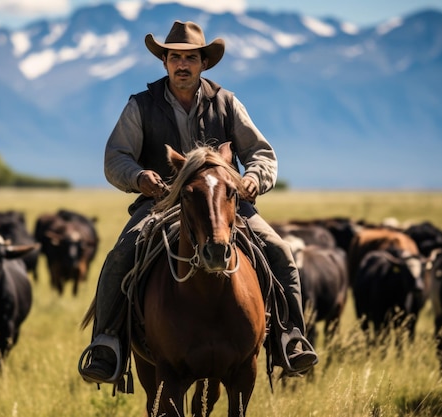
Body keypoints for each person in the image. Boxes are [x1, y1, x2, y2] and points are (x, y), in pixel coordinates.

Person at [79, 20, 318, 385]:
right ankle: (107, 343)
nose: (182, 64)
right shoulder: (140, 106)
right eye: (175, 57)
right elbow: (116, 157)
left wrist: (253, 178)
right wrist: (139, 177)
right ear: (164, 62)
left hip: (223, 204)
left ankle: (290, 337)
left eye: (190, 57)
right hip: (160, 203)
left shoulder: (227, 102)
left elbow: (261, 153)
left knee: (279, 250)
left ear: (203, 63)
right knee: (120, 255)